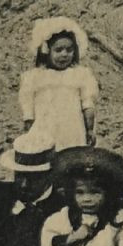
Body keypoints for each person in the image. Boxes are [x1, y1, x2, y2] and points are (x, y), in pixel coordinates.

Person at [19, 18, 99, 152]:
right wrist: (28, 125)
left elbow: (87, 104)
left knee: (72, 159)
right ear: (47, 51)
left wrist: (90, 129)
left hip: (72, 130)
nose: (64, 54)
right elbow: (27, 105)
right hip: (44, 129)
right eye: (58, 50)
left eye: (69, 50)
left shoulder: (80, 75)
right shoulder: (36, 77)